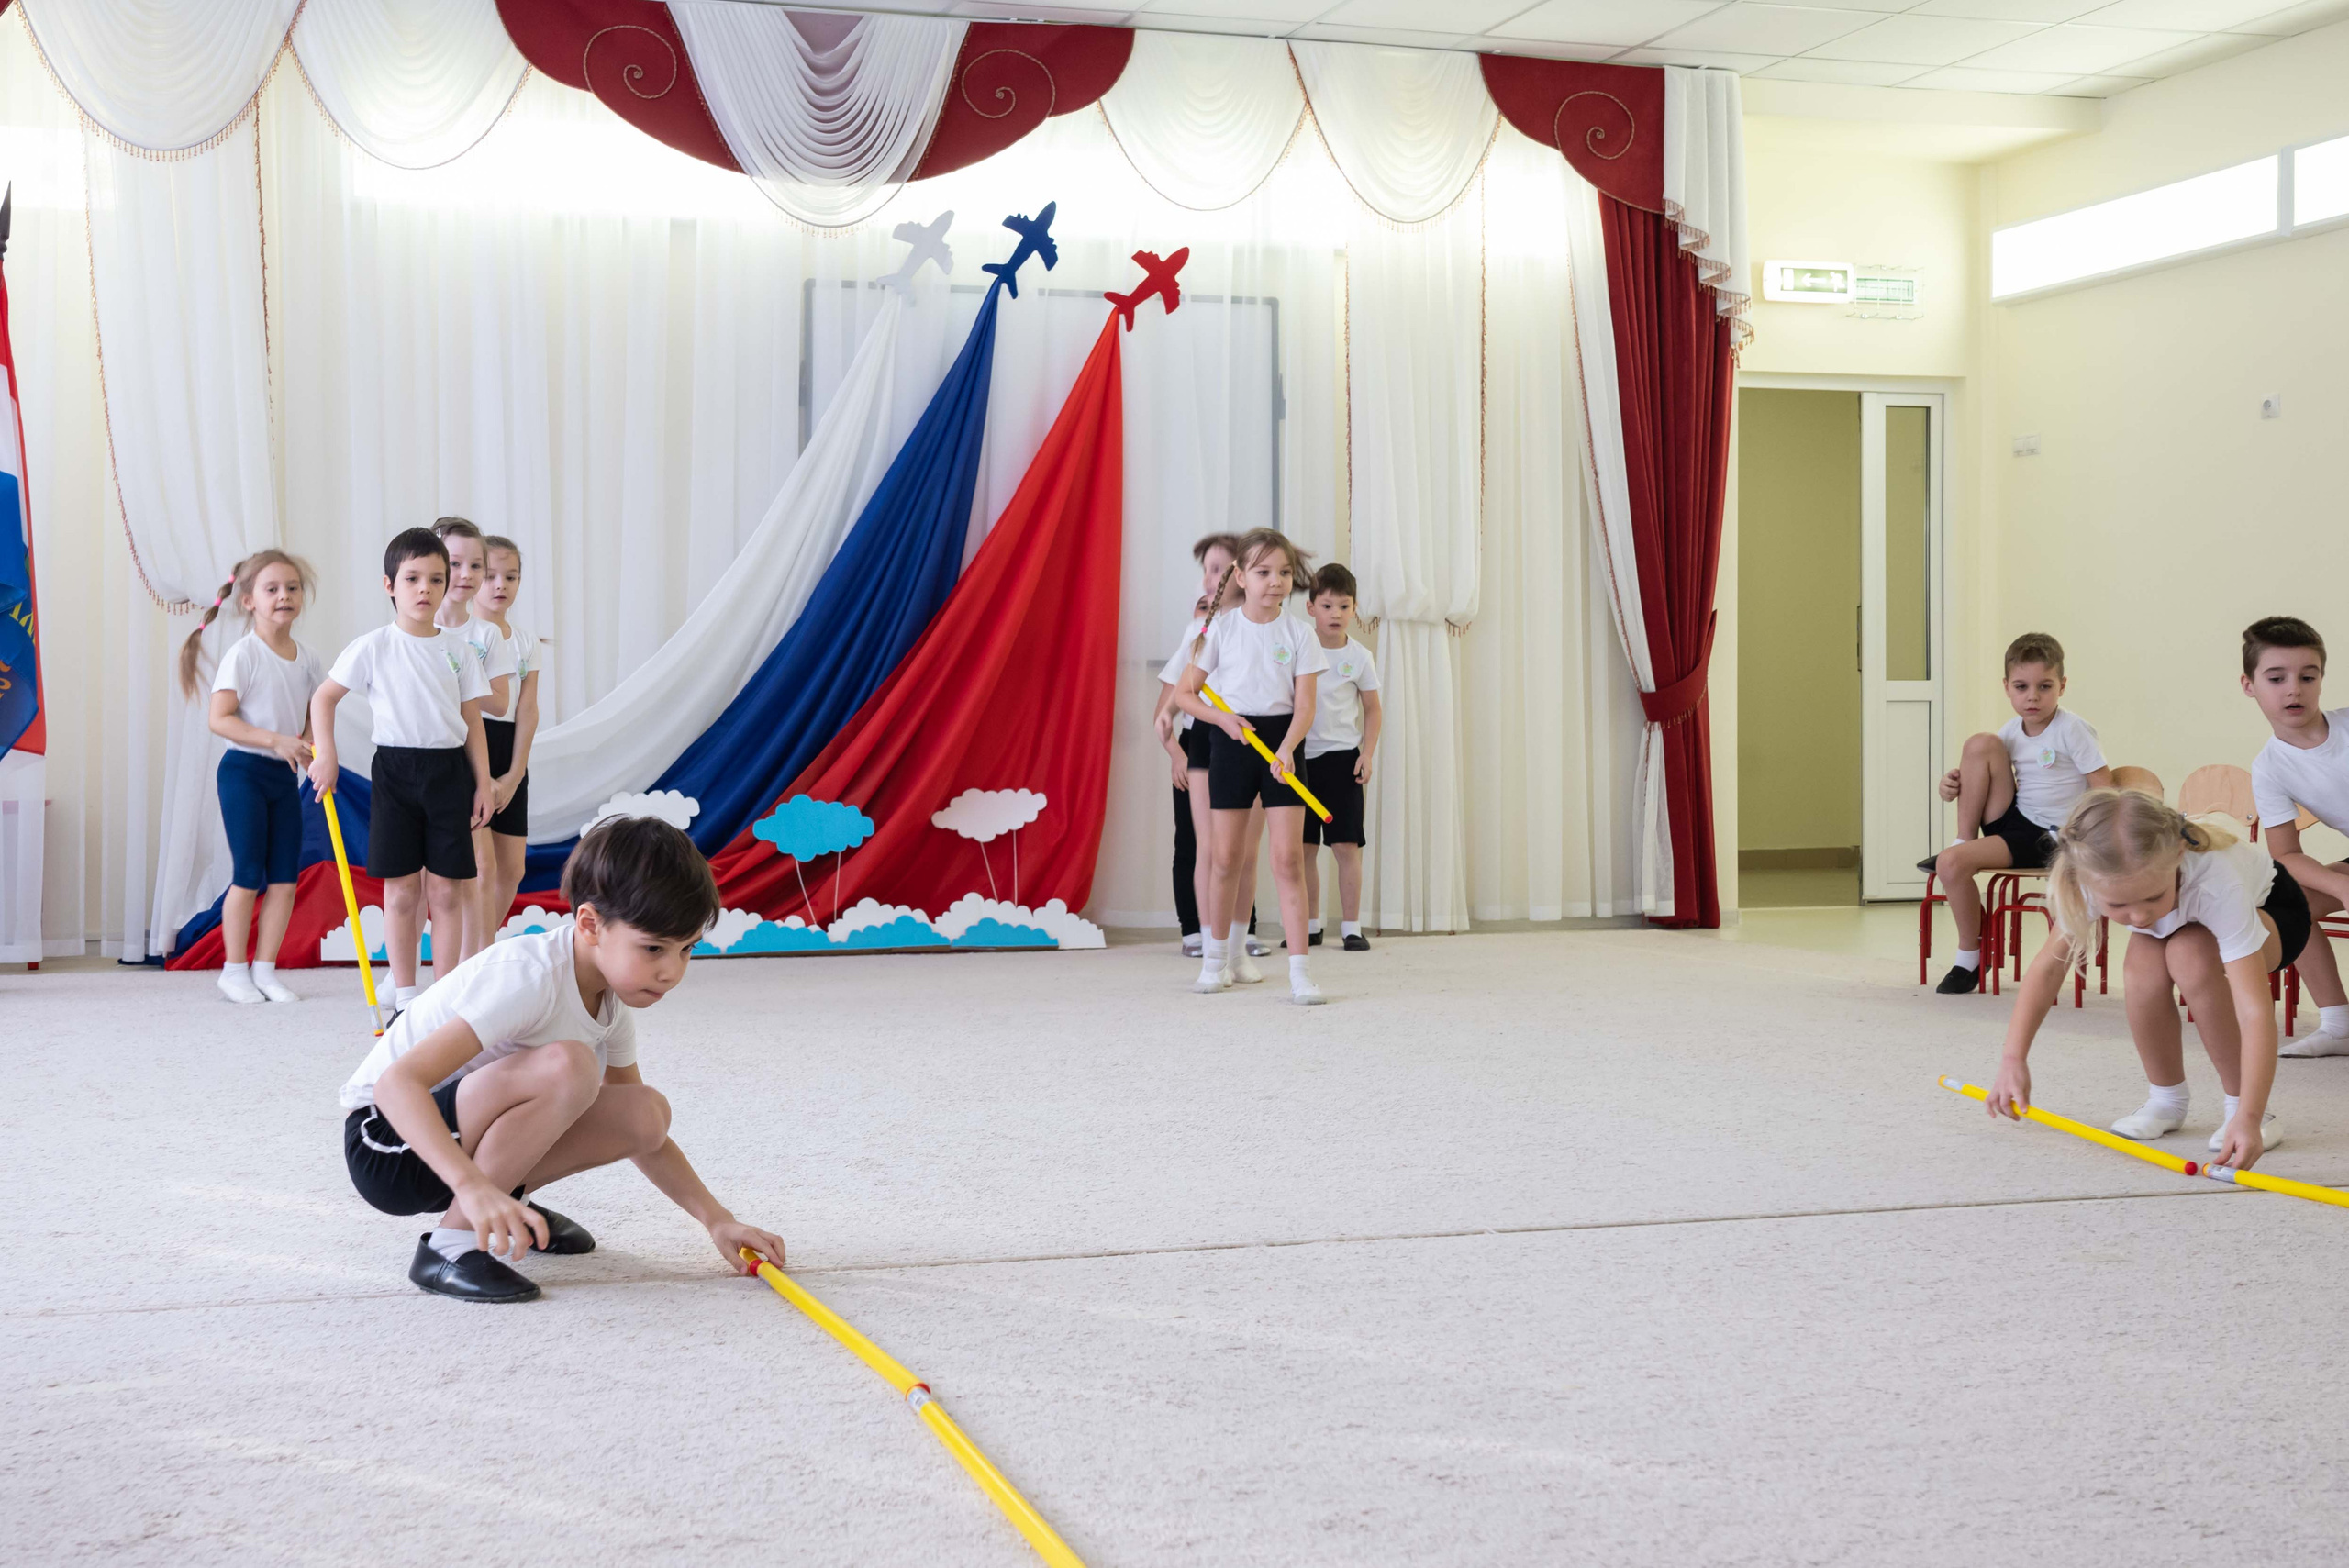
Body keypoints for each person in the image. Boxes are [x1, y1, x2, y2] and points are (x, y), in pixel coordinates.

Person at [339, 814, 787, 1303]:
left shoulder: (610, 1001)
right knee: (570, 1067)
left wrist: (716, 1220)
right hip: (387, 1143)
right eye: (654, 948)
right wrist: (473, 1188)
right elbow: (396, 1085)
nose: (671, 972)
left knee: (646, 1110)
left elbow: (641, 1133)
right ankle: (452, 1243)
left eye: (686, 950)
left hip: (452, 1138)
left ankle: (508, 1199)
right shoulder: (528, 976)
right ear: (591, 924)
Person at [1986, 790, 2298, 1170]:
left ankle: (2244, 1106)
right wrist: (2013, 1058)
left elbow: (2254, 1010)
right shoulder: (2089, 873)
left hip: (2274, 910)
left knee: (2190, 954)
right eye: (2117, 905)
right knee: (2142, 962)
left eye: (2152, 897)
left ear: (2178, 857)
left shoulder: (2218, 881)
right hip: (2185, 917)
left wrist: (2248, 1116)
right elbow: (2049, 967)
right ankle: (2166, 1099)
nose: (2137, 916)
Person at [309, 528, 494, 1011]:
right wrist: (324, 753)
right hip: (394, 773)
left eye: (436, 578)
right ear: (389, 585)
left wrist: (484, 783)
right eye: (412, 578)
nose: (425, 589)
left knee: (446, 890)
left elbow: (473, 721)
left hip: (449, 774)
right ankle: (407, 996)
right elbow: (323, 698)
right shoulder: (373, 647)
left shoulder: (457, 650)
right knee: (402, 890)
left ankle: (446, 996)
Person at [1174, 528, 1327, 1005]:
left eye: (1283, 573)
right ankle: (1216, 961)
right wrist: (1223, 719)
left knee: (1286, 860)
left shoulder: (1301, 634)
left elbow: (1304, 708)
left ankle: (1301, 972)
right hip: (1233, 743)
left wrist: (1287, 750)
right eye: (1263, 573)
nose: (1275, 582)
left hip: (1283, 749)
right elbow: (1184, 694)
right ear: (1241, 577)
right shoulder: (1220, 629)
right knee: (1226, 859)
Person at [1926, 632, 2113, 994]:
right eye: (2022, 686)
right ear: (2007, 688)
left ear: (2062, 686)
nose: (2032, 696)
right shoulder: (2011, 730)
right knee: (1979, 744)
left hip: (2054, 835)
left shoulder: (2072, 730)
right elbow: (1981, 776)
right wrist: (1949, 786)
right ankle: (1962, 841)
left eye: (2044, 686)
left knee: (1950, 865)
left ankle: (1970, 959)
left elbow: (2103, 789)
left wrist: (2090, 843)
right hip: (2017, 819)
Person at [181, 550, 324, 1005]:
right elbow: (220, 719)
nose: (284, 596)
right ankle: (234, 970)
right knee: (249, 875)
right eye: (272, 589)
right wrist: (276, 741)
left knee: (285, 878)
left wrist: (304, 743)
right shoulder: (243, 655)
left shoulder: (308, 658)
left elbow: (314, 713)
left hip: (283, 777)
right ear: (248, 601)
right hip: (244, 772)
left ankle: (265, 969)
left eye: (293, 588)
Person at [2241, 615, 2349, 1054]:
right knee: (2287, 905)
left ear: (2322, 679)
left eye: (2308, 676)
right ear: (2249, 685)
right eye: (2276, 677)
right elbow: (2285, 854)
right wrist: (2342, 887)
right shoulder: (2268, 769)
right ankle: (2339, 1024)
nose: (2294, 689)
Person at [1155, 533, 1264, 966]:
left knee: (1245, 851)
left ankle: (1239, 938)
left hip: (1253, 738)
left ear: (1240, 573)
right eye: (1206, 570)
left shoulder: (1269, 627)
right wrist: (1175, 746)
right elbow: (1173, 699)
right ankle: (1207, 938)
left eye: (1217, 569)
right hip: (1205, 738)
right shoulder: (1200, 631)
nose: (1209, 579)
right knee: (1208, 848)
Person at [433, 517, 511, 958]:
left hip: (472, 757)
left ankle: (475, 965)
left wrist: (457, 689)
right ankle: (406, 974)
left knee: (483, 867)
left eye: (475, 566)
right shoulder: (415, 631)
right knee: (431, 874)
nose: (465, 576)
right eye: (455, 563)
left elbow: (500, 704)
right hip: (426, 760)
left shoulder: (486, 635)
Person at [1298, 563, 1381, 951]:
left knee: (1346, 846)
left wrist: (1366, 753)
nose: (1335, 614)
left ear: (1354, 609)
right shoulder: (1297, 647)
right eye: (1327, 606)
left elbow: (1373, 709)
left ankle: (1350, 926)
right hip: (1300, 760)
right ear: (1311, 607)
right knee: (1303, 848)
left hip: (1343, 760)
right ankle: (1310, 925)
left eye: (1343, 606)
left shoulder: (1360, 657)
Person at [463, 534, 539, 953]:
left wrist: (513, 775)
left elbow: (527, 710)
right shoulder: (460, 634)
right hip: (471, 745)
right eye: (489, 575)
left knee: (512, 867)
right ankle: (468, 957)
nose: (499, 585)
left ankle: (481, 949)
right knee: (479, 866)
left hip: (510, 751)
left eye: (510, 576)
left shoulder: (525, 642)